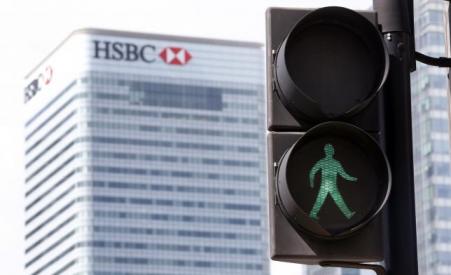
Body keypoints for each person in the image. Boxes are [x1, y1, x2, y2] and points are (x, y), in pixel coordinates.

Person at [309, 143, 357, 220]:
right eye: (330, 150)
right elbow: (344, 175)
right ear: (332, 152)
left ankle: (313, 214)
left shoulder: (324, 162)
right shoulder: (335, 163)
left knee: (321, 199)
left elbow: (312, 172)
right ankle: (348, 214)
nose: (331, 151)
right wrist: (352, 178)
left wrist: (312, 182)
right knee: (337, 199)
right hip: (330, 185)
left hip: (325, 185)